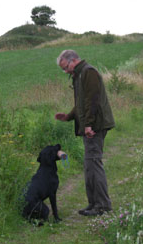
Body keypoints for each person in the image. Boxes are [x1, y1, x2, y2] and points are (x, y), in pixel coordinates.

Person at [55, 50, 115, 216]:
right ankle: (94, 204)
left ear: (73, 60)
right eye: (63, 69)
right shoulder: (79, 75)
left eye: (65, 67)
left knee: (94, 164)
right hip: (89, 127)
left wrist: (88, 124)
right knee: (89, 166)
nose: (65, 71)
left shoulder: (88, 72)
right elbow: (81, 103)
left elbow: (92, 100)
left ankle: (103, 206)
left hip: (95, 127)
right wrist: (68, 116)